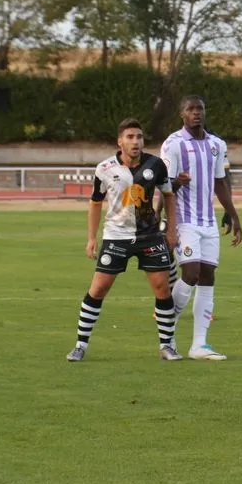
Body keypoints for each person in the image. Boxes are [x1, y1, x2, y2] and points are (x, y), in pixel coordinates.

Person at [66, 118, 182, 362]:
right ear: (120, 142)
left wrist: (171, 230)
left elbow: (169, 196)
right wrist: (91, 238)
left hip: (149, 235)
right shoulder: (105, 169)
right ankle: (79, 345)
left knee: (162, 289)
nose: (135, 141)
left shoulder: (156, 165)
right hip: (116, 236)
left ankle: (167, 346)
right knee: (98, 289)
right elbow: (95, 203)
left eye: (139, 137)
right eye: (130, 137)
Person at [160, 96, 242, 361]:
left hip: (208, 222)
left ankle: (199, 345)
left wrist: (233, 215)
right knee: (191, 273)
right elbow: (164, 187)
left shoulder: (216, 145)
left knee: (208, 277)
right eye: (190, 109)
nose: (196, 113)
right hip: (184, 221)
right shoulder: (173, 145)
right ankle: (167, 323)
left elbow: (220, 183)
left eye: (200, 109)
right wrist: (177, 183)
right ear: (182, 114)